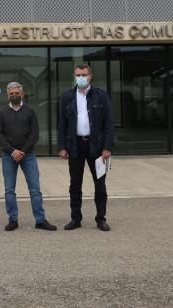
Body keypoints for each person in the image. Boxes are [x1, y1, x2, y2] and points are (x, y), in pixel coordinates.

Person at [57, 64, 114, 231]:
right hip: (75, 145)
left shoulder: (101, 96)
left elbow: (109, 124)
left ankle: (101, 219)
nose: (81, 77)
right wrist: (62, 147)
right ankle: (76, 218)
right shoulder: (67, 97)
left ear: (90, 76)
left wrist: (107, 147)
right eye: (78, 75)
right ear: (74, 77)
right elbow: (62, 124)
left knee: (100, 184)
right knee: (75, 184)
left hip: (96, 146)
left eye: (84, 74)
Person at [0, 82, 56, 232]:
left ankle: (40, 220)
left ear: (22, 94)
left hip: (28, 155)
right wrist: (12, 151)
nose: (14, 95)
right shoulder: (2, 112)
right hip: (9, 156)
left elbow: (34, 133)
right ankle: (13, 220)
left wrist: (23, 151)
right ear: (7, 95)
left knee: (35, 189)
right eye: (12, 93)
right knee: (9, 190)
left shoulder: (30, 111)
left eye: (17, 93)